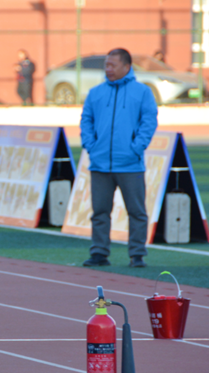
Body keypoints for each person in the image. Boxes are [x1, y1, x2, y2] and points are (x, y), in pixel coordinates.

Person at [80, 48, 158, 268]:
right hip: (100, 164)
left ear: (126, 66)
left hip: (130, 164)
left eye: (112, 65)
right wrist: (91, 146)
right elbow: (86, 120)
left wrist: (137, 147)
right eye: (106, 65)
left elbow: (149, 120)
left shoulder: (142, 92)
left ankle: (137, 255)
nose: (108, 69)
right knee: (100, 212)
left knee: (136, 212)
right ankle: (99, 253)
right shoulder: (96, 93)